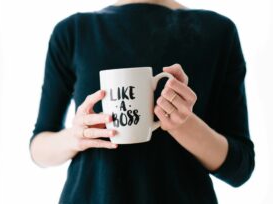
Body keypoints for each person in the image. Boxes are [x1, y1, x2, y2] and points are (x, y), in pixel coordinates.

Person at [29, 0, 255, 203]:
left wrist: (182, 124)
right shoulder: (73, 32)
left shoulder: (217, 32)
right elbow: (39, 148)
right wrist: (75, 137)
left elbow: (240, 168)